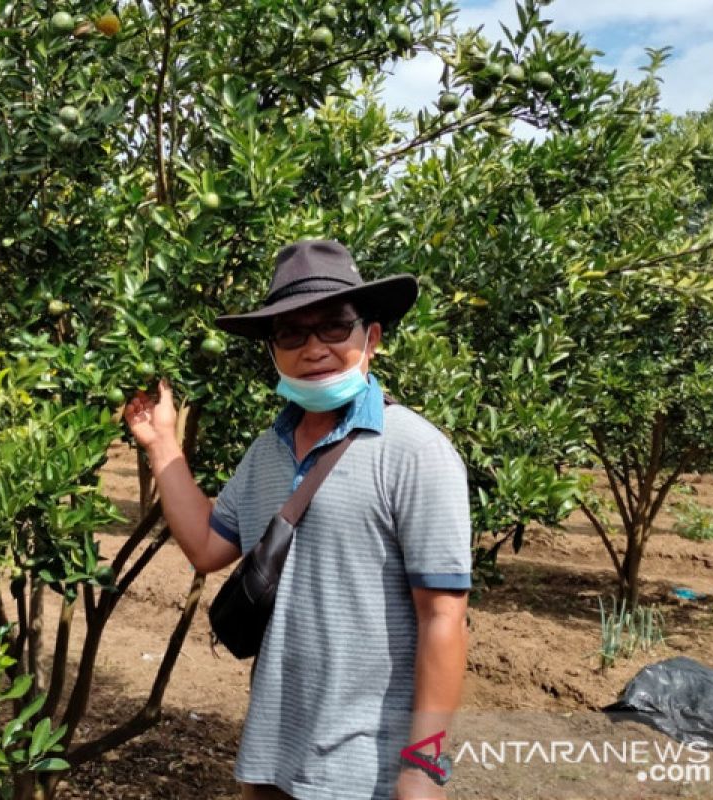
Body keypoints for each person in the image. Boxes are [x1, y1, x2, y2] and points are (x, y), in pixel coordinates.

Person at [123, 240, 471, 800]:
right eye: (291, 333)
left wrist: (422, 768)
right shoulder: (268, 450)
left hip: (368, 769)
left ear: (371, 338)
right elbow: (209, 546)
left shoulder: (414, 451)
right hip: (271, 757)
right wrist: (163, 445)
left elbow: (444, 618)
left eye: (334, 326)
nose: (314, 347)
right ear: (273, 350)